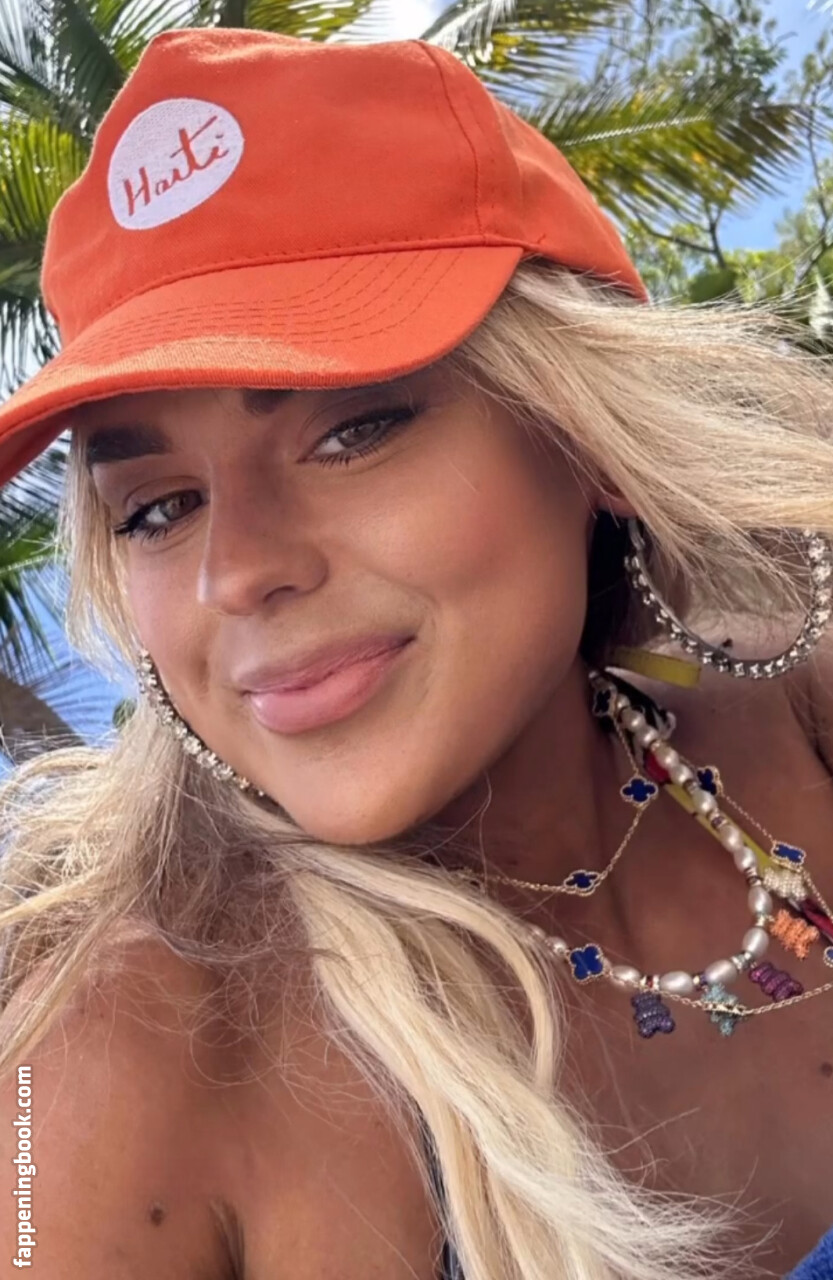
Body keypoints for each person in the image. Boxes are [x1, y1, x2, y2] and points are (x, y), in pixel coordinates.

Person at [0, 25, 831, 1280]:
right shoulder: (125, 1060)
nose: (235, 572)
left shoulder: (800, 721)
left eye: (352, 431)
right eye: (158, 508)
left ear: (582, 432)